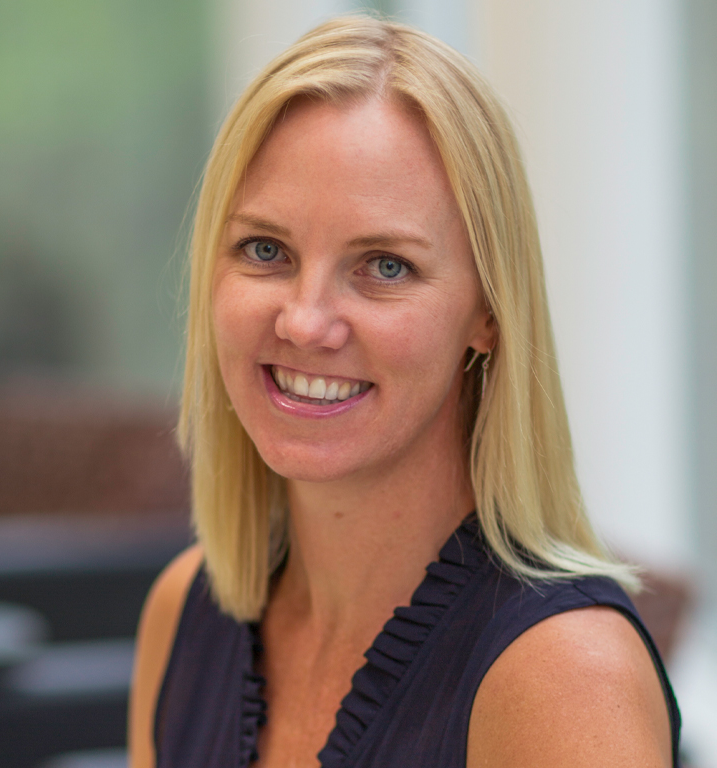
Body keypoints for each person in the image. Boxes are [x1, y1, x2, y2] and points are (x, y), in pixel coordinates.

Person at [129, 15, 680, 768]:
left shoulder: (565, 676)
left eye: (385, 266)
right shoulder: (184, 613)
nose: (305, 321)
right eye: (265, 249)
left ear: (488, 314)